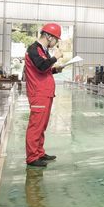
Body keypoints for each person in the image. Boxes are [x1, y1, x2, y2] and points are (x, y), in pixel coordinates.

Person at [24, 22, 66, 168]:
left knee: (42, 125)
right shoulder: (33, 49)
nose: (56, 43)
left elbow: (44, 69)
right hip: (38, 93)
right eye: (56, 39)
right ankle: (32, 157)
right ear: (49, 36)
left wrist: (55, 69)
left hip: (45, 93)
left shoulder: (42, 50)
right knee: (36, 125)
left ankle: (39, 152)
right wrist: (55, 58)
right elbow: (41, 66)